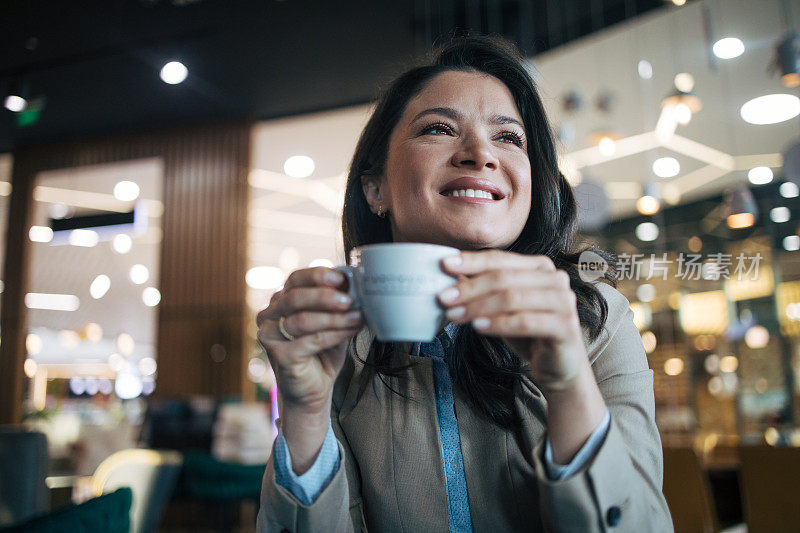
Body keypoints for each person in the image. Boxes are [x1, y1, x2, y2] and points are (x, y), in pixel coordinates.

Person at [255, 35, 673, 532]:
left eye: (509, 138)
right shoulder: (340, 341)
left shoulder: (595, 319)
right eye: (438, 128)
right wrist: (303, 413)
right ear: (375, 188)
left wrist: (567, 385)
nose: (480, 153)